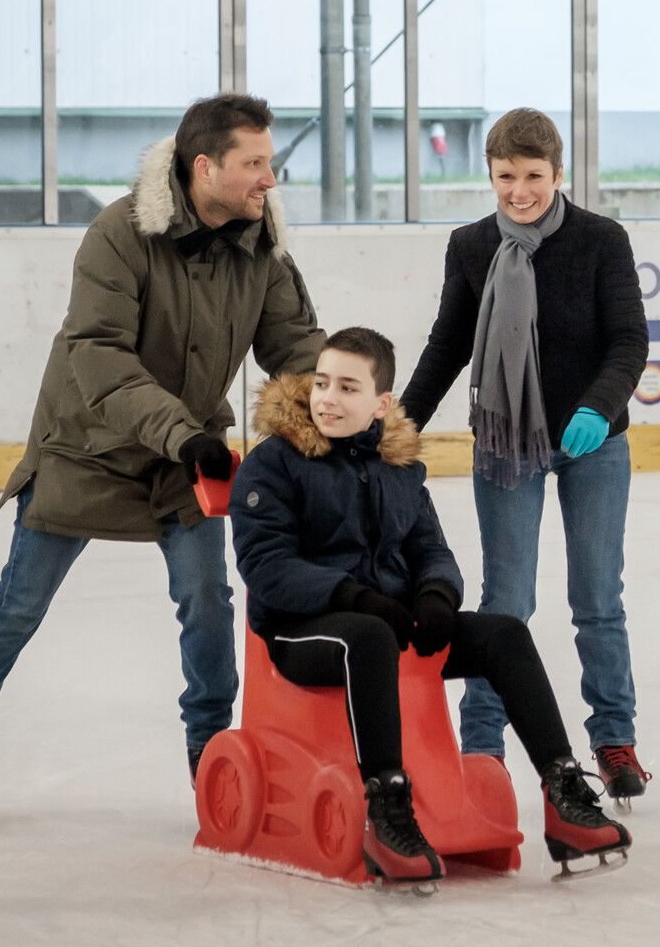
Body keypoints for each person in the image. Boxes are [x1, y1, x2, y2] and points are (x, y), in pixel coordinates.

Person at [0, 93, 325, 823]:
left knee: (207, 603)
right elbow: (99, 358)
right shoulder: (119, 236)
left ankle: (210, 757)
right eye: (255, 164)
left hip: (184, 455)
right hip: (87, 446)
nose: (271, 180)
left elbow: (293, 344)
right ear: (205, 167)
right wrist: (182, 432)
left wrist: (332, 409)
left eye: (272, 163)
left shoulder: (261, 245)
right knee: (19, 607)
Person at [232, 327, 632, 883]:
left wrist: (436, 597)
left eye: (348, 387)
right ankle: (387, 808)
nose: (327, 398)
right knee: (367, 638)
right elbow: (267, 566)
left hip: (387, 618)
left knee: (503, 633)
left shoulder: (398, 467)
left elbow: (430, 549)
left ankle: (563, 792)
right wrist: (354, 597)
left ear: (382, 403)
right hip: (303, 629)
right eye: (321, 382)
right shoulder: (273, 464)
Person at [399, 108, 651, 804]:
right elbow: (448, 346)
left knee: (597, 597)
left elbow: (629, 341)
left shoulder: (601, 240)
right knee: (505, 602)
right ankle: (480, 745)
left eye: (534, 176)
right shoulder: (472, 246)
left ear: (558, 174)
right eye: (506, 176)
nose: (519, 191)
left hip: (593, 445)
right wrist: (400, 427)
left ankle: (614, 738)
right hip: (508, 445)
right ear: (491, 174)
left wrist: (597, 409)